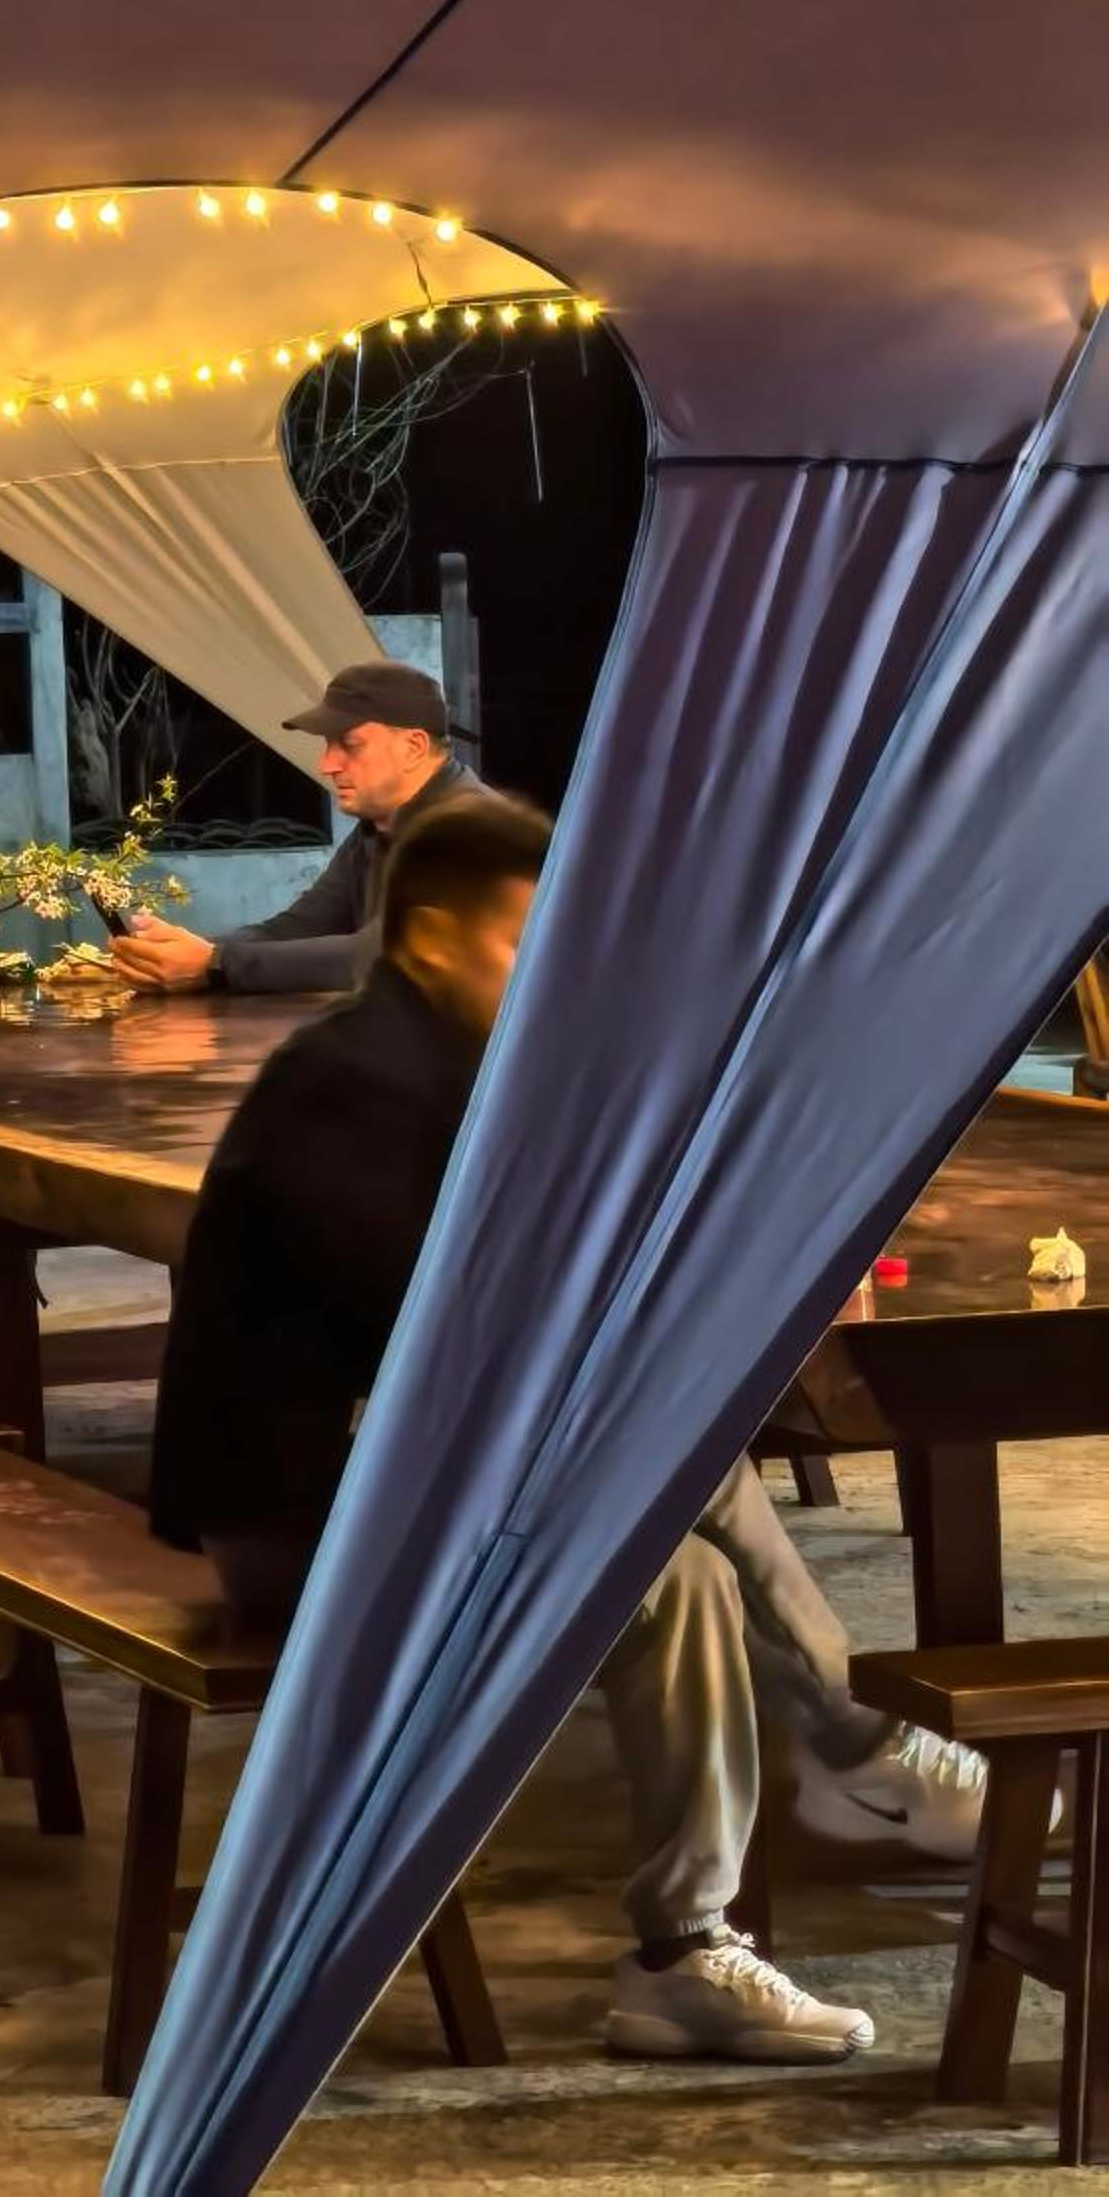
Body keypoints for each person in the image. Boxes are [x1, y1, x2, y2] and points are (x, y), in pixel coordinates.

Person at [149, 793, 987, 2066]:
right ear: (433, 938)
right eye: (521, 945)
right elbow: (453, 1337)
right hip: (294, 1524)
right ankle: (858, 1749)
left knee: (684, 1563)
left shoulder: (458, 1071)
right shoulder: (351, 1083)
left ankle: (688, 1951)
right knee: (667, 1470)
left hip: (397, 1486)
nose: (551, 978)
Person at [110, 660, 486, 995]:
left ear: (413, 748)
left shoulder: (472, 829)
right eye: (328, 744)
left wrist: (214, 963)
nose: (327, 765)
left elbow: (392, 954)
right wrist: (170, 954)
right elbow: (293, 929)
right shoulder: (378, 827)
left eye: (349, 744)